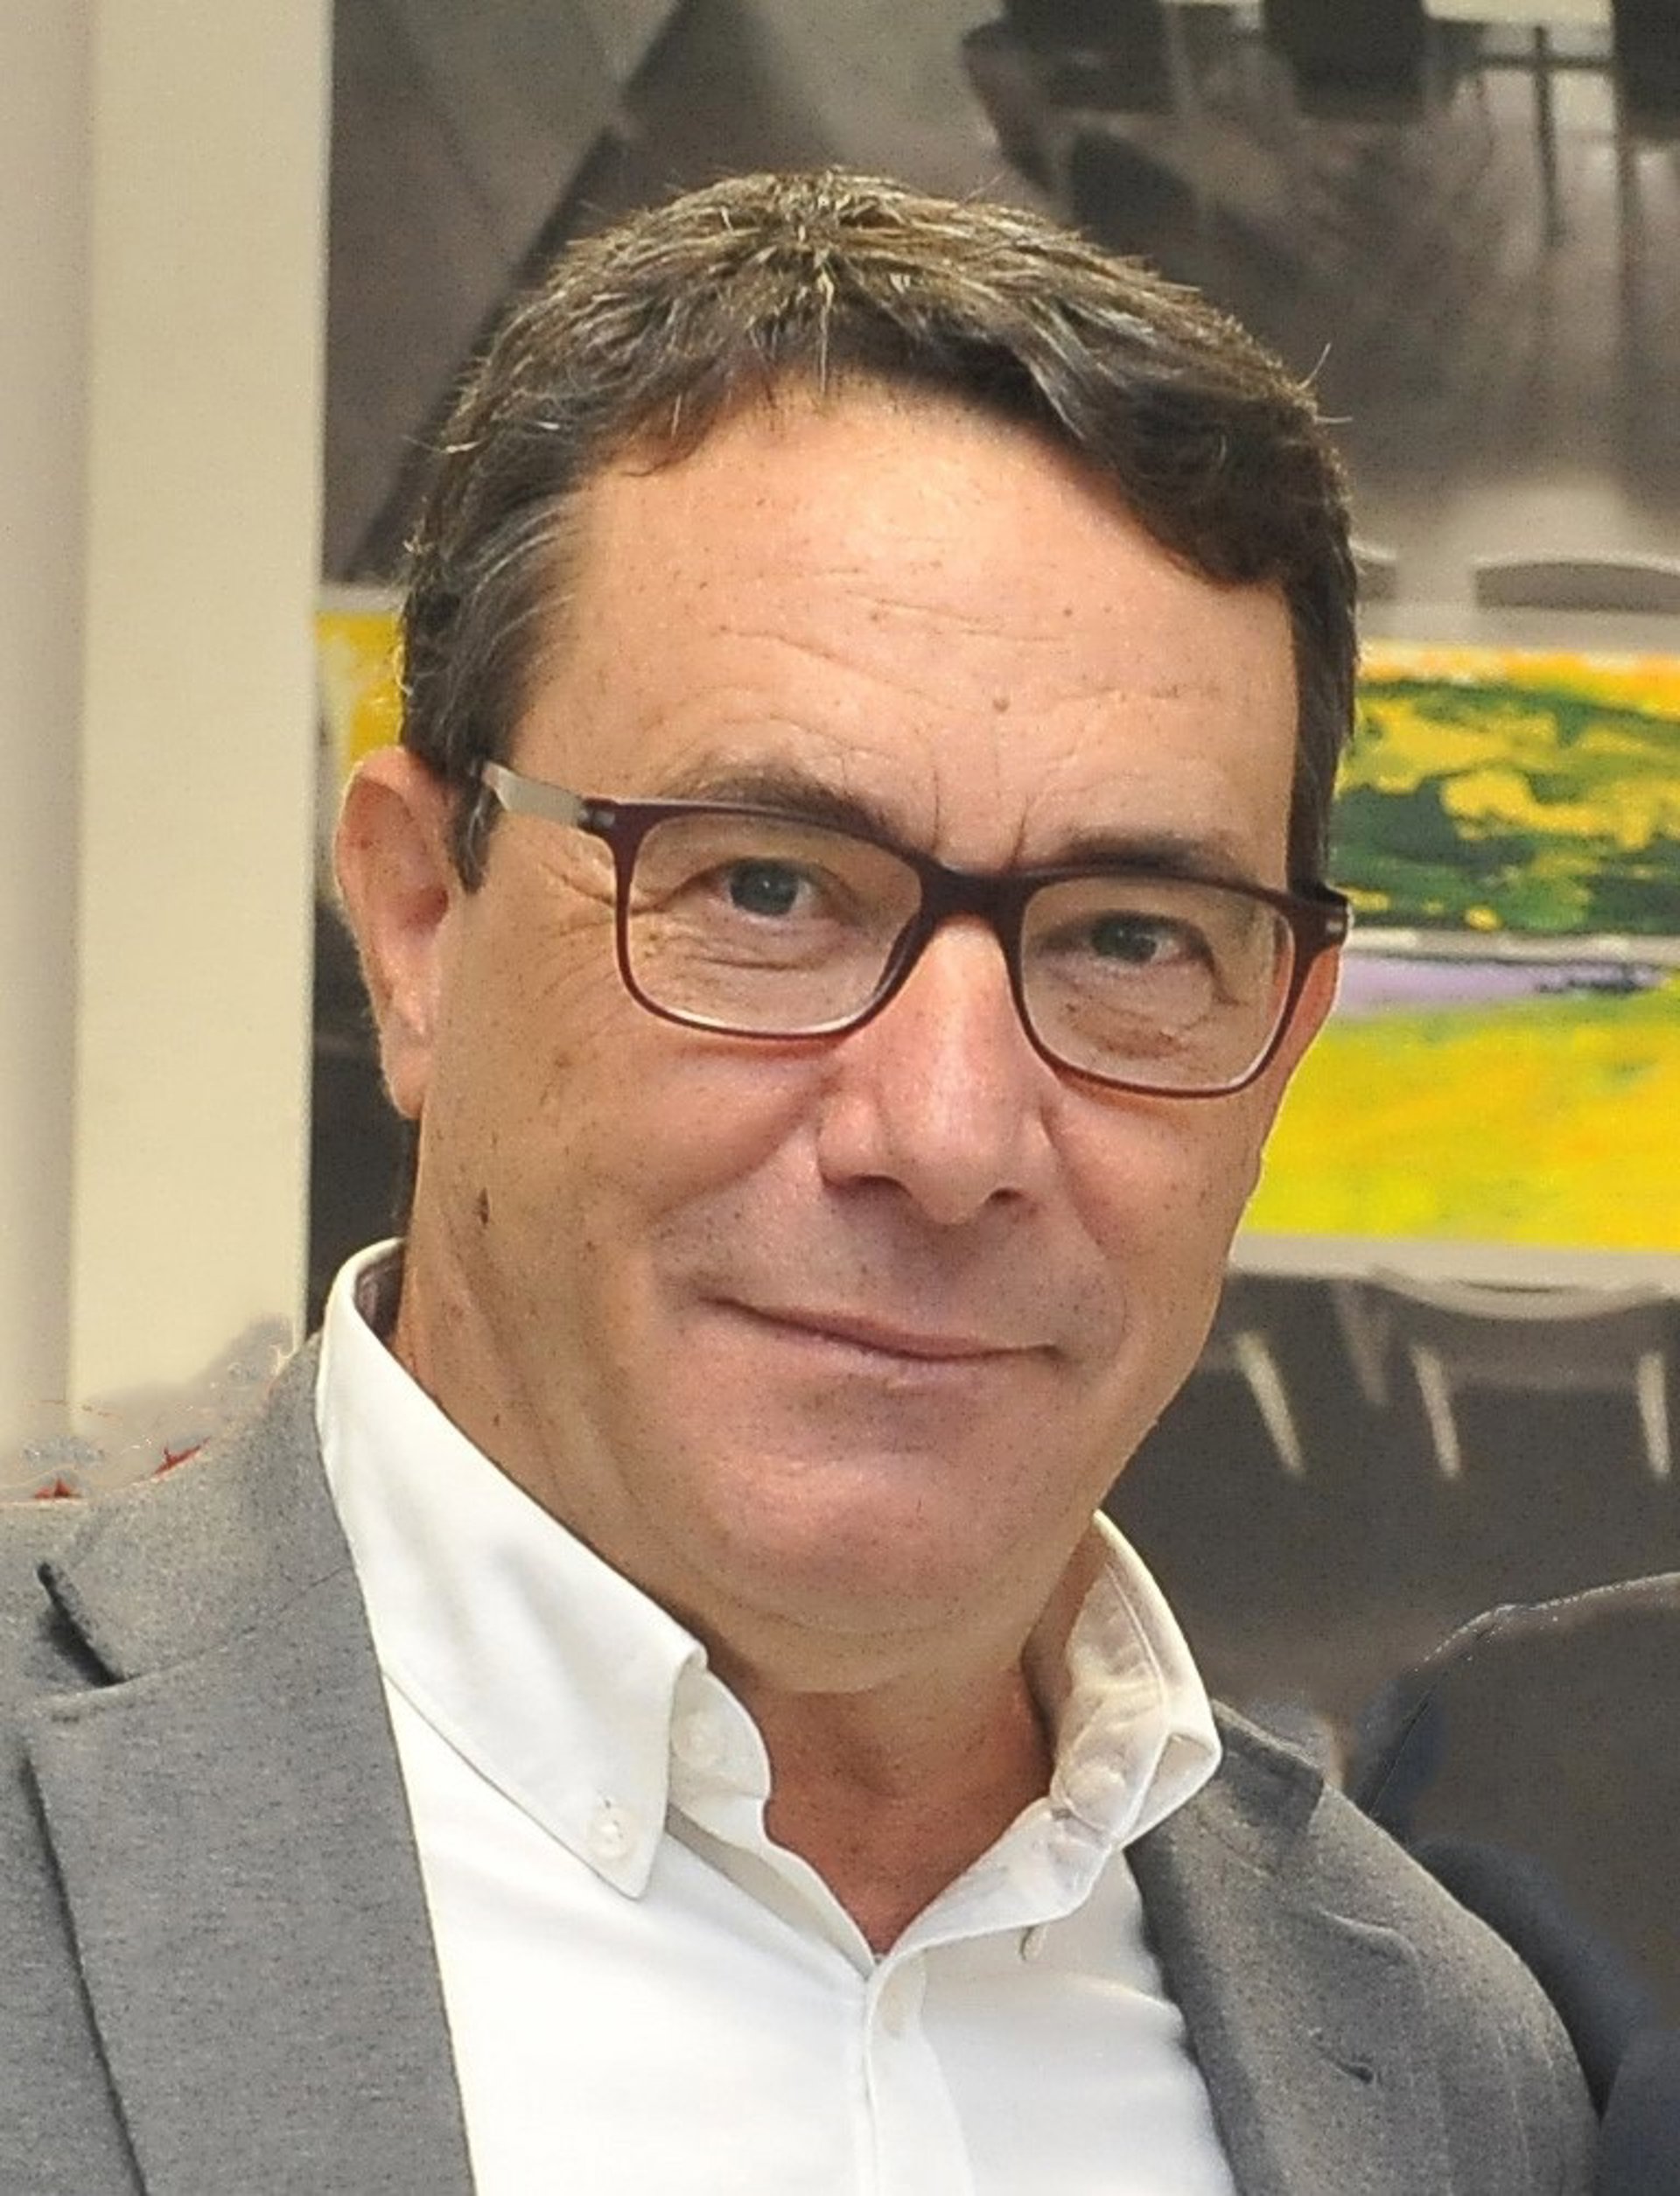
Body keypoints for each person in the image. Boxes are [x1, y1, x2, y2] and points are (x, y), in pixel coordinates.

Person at [0, 171, 1592, 2193]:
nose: (947, 1134)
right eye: (766, 888)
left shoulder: (1440, 2066)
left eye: (1130, 937)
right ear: (416, 924)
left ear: (1282, 1038)